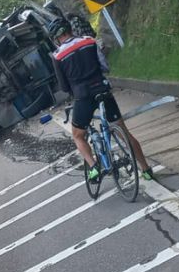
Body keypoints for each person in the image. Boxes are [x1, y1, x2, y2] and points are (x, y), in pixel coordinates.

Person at [48, 17, 154, 182]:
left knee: (78, 135)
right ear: (70, 29)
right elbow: (104, 66)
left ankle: (93, 166)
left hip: (83, 96)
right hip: (102, 88)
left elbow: (64, 87)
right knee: (124, 132)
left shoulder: (57, 56)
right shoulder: (89, 41)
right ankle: (146, 169)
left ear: (56, 37)